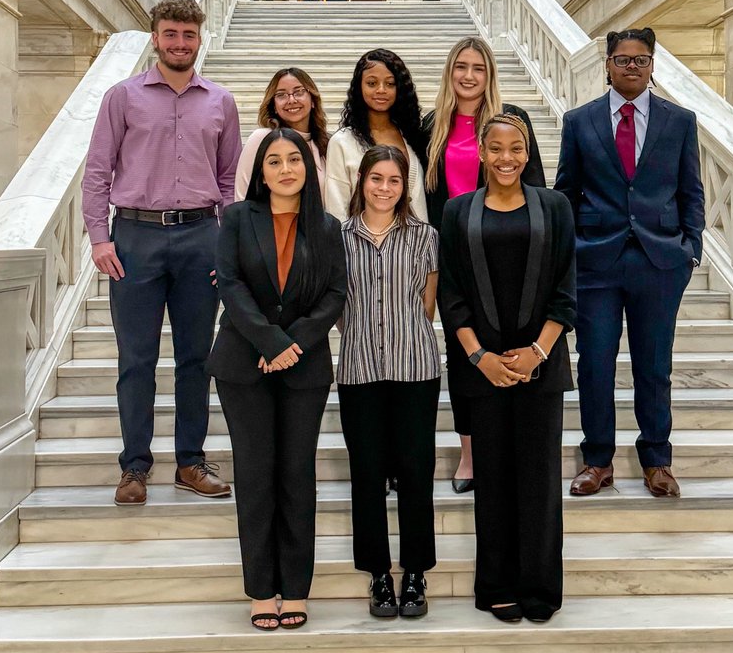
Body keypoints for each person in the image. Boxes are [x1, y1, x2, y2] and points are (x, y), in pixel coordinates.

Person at [82, 0, 241, 507]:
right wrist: (99, 238)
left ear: (200, 39)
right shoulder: (122, 98)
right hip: (136, 239)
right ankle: (134, 467)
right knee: (137, 358)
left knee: (196, 357)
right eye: (170, 34)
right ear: (155, 38)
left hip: (201, 238)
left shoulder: (221, 102)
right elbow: (97, 172)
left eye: (188, 35)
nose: (179, 43)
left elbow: (230, 181)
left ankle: (190, 463)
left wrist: (228, 244)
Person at [555, 27, 705, 499]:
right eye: (623, 59)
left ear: (652, 64)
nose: (632, 67)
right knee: (595, 364)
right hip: (596, 261)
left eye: (641, 60)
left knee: (654, 366)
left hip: (659, 262)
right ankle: (597, 461)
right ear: (607, 64)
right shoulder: (579, 122)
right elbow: (565, 191)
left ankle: (657, 460)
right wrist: (572, 249)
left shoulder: (679, 121)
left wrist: (690, 249)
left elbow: (691, 191)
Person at [207, 129, 347, 630]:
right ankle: (261, 589)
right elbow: (231, 282)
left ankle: (297, 588)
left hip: (304, 368)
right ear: (261, 172)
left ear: (309, 169)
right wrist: (270, 341)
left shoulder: (328, 227)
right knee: (255, 474)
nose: (286, 169)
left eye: (295, 160)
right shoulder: (238, 219)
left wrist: (294, 344)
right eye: (274, 161)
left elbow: (334, 294)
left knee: (295, 474)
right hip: (244, 364)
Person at [439, 113, 576, 623]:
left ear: (528, 151)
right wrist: (481, 358)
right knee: (493, 481)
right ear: (480, 151)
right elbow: (452, 297)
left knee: (539, 482)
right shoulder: (457, 212)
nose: (505, 158)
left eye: (515, 148)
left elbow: (566, 291)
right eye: (495, 148)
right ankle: (497, 584)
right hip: (482, 368)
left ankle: (540, 587)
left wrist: (535, 353)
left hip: (541, 363)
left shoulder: (555, 207)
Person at [423, 35, 546, 495]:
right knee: (463, 353)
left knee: (511, 342)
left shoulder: (512, 121)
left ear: (489, 74)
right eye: (460, 66)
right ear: (450, 72)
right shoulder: (432, 124)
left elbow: (535, 190)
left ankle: (515, 443)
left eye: (477, 67)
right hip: (454, 253)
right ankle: (471, 453)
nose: (468, 75)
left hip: (504, 249)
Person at [337, 146, 440, 619]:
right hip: (359, 369)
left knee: (416, 472)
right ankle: (378, 574)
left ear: (406, 186)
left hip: (415, 368)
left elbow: (428, 302)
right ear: (362, 181)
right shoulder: (338, 238)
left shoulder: (425, 237)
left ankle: (416, 574)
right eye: (376, 179)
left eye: (393, 180)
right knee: (367, 475)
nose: (384, 188)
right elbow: (337, 306)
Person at [324, 48, 428, 222]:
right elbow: (337, 209)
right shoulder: (342, 142)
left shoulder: (412, 137)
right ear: (359, 87)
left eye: (390, 83)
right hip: (360, 245)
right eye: (372, 83)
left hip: (412, 244)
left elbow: (418, 204)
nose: (381, 90)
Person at [234, 67, 329, 201]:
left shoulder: (325, 144)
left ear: (313, 100)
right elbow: (242, 194)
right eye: (281, 95)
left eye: (299, 92)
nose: (291, 100)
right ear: (274, 106)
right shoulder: (261, 139)